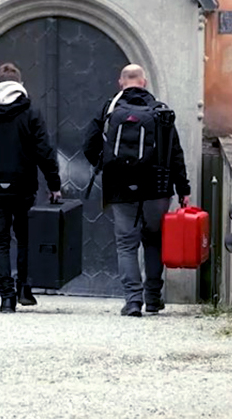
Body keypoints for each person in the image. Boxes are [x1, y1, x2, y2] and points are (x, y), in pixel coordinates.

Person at [85, 64, 190, 317]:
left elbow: (88, 143)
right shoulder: (160, 111)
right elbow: (175, 153)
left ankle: (133, 301)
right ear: (144, 82)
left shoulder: (110, 110)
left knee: (126, 245)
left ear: (121, 83)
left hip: (121, 187)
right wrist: (182, 188)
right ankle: (153, 298)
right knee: (153, 240)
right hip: (157, 187)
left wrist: (104, 165)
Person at [0, 62, 63, 313]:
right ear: (20, 84)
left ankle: (6, 298)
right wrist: (54, 184)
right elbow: (44, 151)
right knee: (24, 240)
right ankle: (23, 289)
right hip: (23, 188)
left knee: (0, 243)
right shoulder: (31, 112)